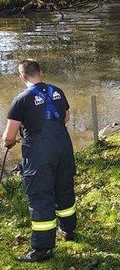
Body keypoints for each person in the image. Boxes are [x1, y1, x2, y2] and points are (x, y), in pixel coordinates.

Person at [2, 60, 77, 262]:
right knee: (64, 189)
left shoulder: (21, 100)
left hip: (39, 153)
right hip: (63, 147)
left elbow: (9, 136)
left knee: (41, 196)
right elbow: (66, 117)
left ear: (22, 77)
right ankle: (68, 230)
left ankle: (42, 249)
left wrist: (9, 142)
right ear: (41, 72)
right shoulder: (58, 91)